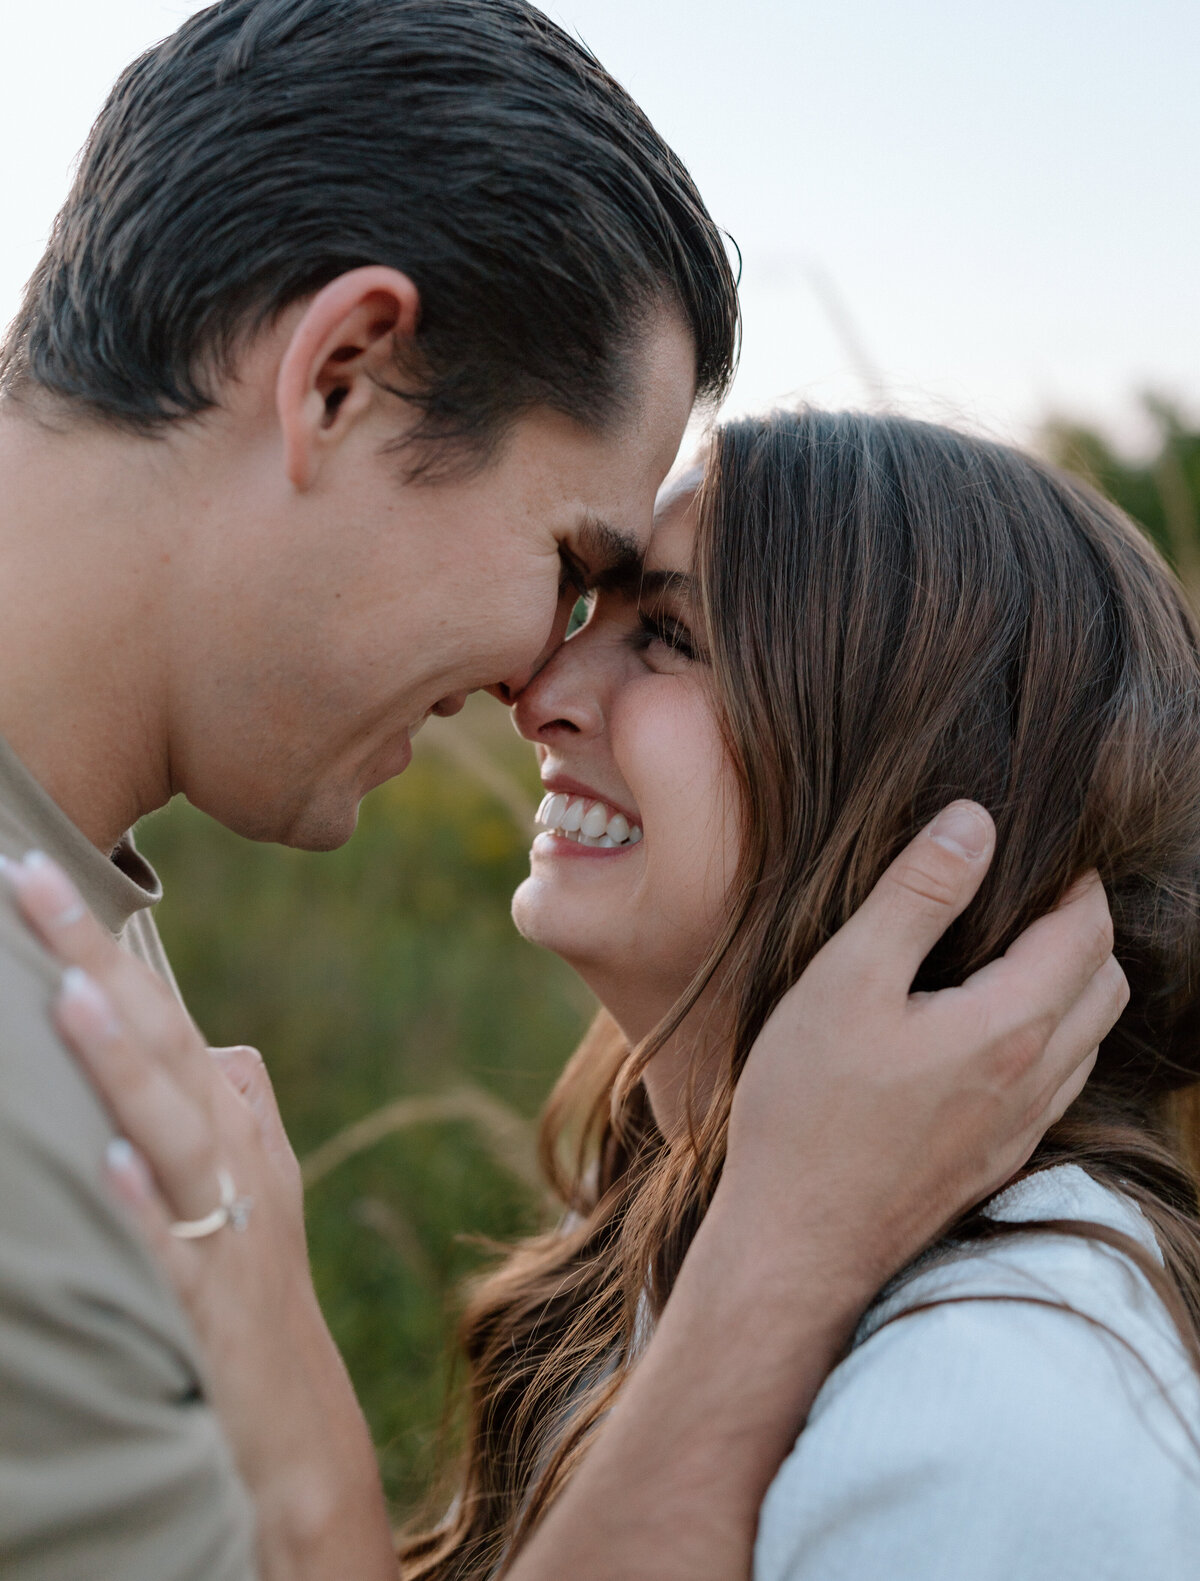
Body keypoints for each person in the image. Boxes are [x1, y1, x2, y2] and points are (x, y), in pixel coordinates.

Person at [0, 0, 1117, 1576]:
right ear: (341, 377)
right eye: (573, 564)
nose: (540, 675)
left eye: (653, 627)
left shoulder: (67, 917)